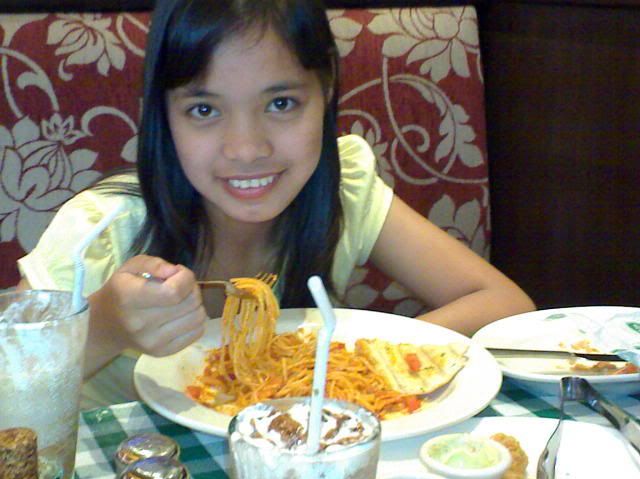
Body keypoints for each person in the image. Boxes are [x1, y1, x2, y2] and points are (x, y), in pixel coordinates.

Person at [16, 0, 534, 387]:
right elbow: (11, 381)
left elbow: (504, 302)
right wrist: (105, 325)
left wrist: (366, 359)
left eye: (282, 103)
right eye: (204, 110)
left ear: (326, 92)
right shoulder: (103, 231)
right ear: (163, 115)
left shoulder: (341, 189)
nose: (247, 149)